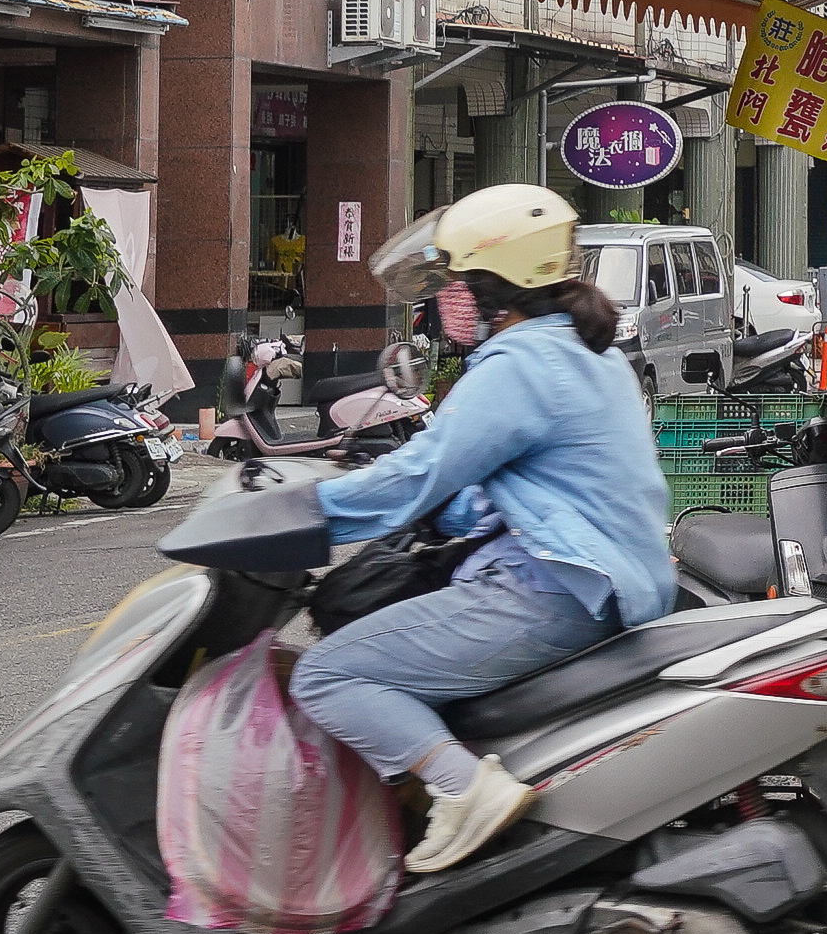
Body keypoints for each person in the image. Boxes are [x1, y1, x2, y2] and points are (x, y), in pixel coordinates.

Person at [289, 185, 680, 875]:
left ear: (498, 288)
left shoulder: (520, 363)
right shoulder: (591, 355)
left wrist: (303, 514)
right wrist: (442, 507)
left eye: (459, 285)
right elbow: (510, 491)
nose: (449, 303)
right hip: (606, 582)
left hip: (553, 589)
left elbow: (419, 474)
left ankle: (463, 789)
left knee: (328, 674)